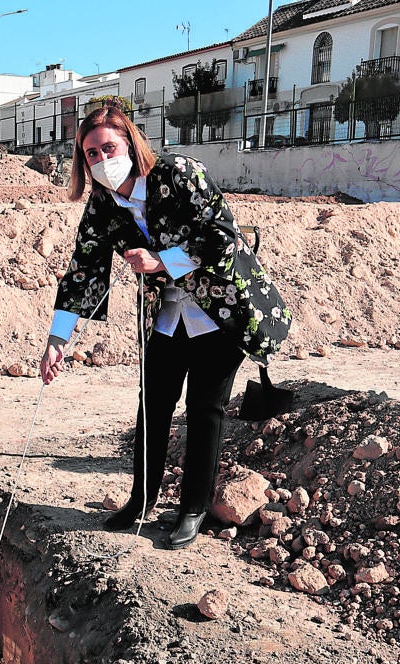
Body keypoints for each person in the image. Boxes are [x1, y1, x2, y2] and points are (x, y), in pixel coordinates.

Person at [40, 106, 289, 549]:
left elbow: (222, 235)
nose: (101, 160)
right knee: (153, 404)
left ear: (130, 143)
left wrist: (162, 262)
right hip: (166, 316)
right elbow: (83, 270)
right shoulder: (102, 204)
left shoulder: (181, 174)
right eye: (91, 154)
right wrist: (58, 339)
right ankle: (141, 501)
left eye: (108, 148)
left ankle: (192, 509)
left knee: (204, 408)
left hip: (221, 310)